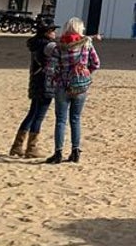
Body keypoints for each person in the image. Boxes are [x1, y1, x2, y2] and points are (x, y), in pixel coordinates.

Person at [44, 17, 100, 164]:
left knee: (61, 121)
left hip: (63, 86)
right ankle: (75, 151)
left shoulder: (60, 46)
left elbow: (51, 68)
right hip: (80, 87)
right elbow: (96, 63)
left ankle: (58, 153)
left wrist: (54, 80)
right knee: (75, 119)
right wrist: (85, 73)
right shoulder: (86, 45)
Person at [9, 20, 57, 158]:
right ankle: (31, 147)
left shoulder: (36, 44)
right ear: (47, 33)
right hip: (46, 83)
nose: (54, 33)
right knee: (38, 116)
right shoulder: (49, 46)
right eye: (52, 30)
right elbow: (64, 50)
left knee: (31, 114)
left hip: (36, 81)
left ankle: (17, 145)